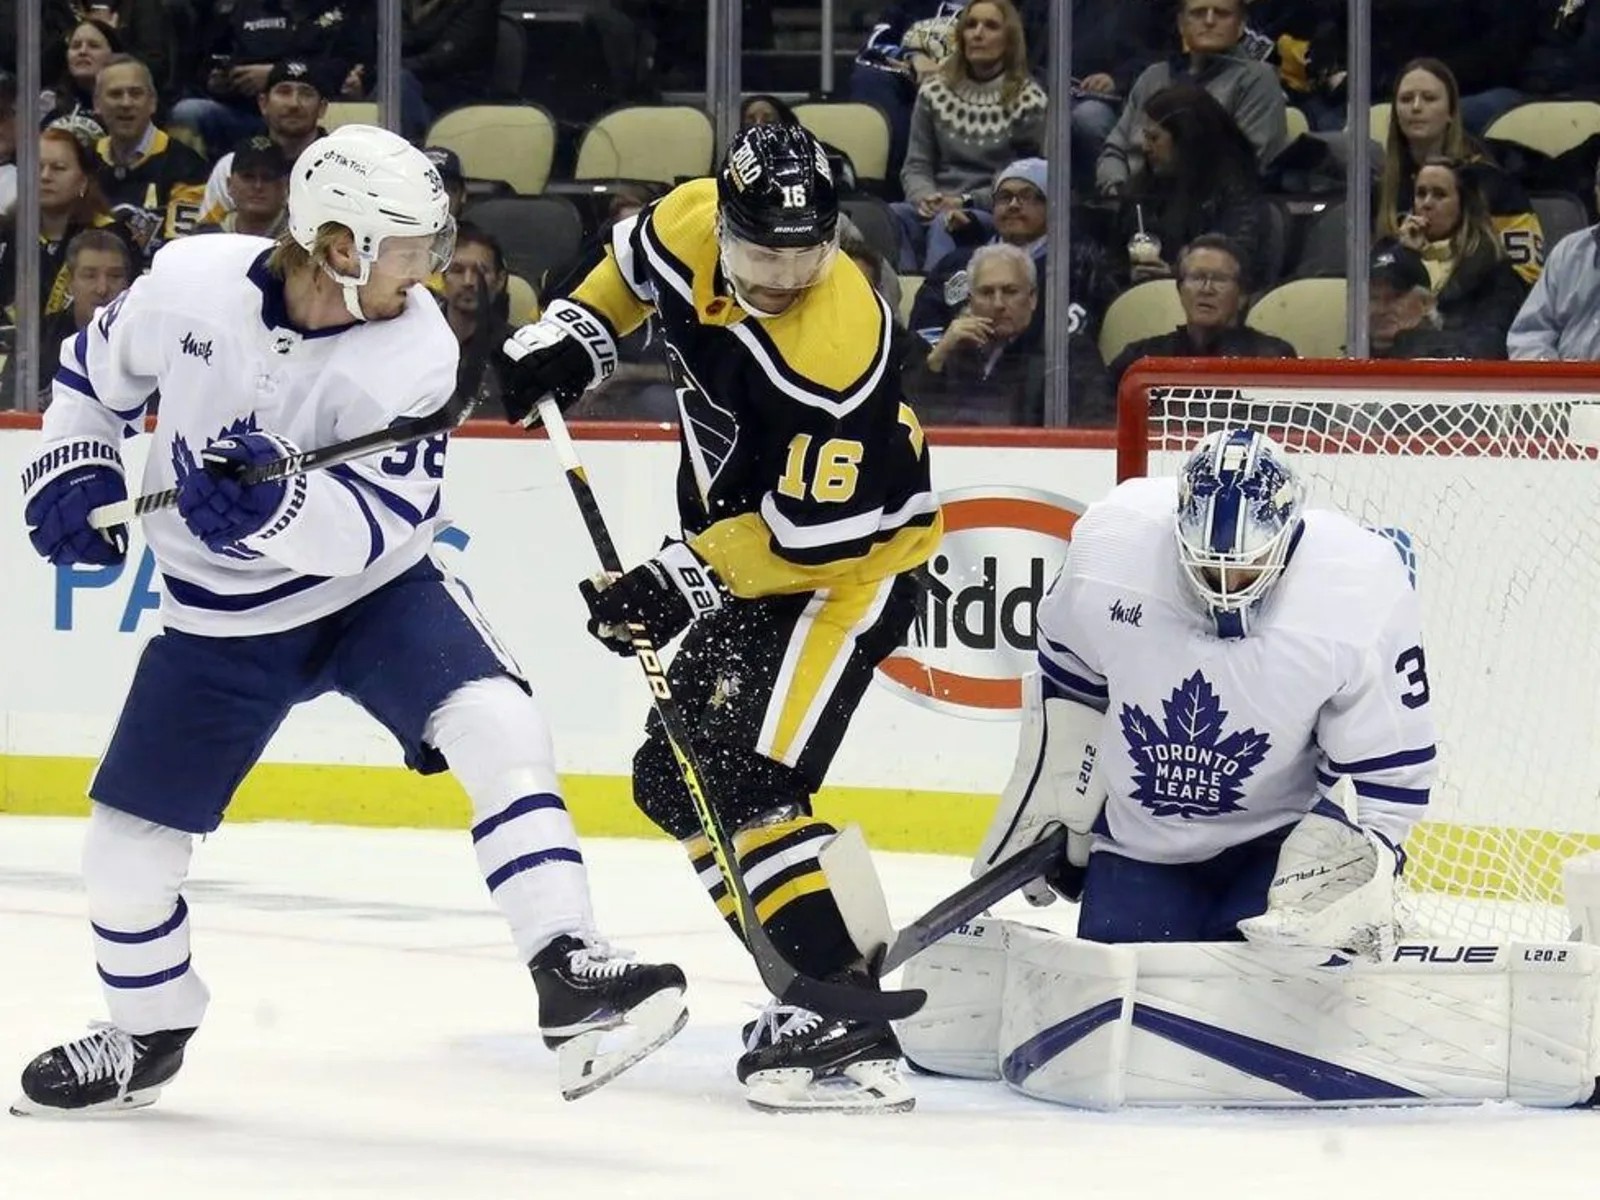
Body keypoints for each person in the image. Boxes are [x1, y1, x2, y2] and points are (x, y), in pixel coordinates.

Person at [12, 124, 686, 1117]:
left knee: (497, 723)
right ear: (339, 245)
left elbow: (377, 526)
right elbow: (90, 379)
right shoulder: (192, 282)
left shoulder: (416, 343)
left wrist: (276, 509)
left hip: (375, 597)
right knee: (121, 863)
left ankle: (567, 965)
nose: (433, 265)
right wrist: (72, 464)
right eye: (411, 246)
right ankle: (146, 1031)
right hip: (219, 619)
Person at [494, 121, 942, 1113]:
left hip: (847, 575)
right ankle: (807, 976)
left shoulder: (839, 350)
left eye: (806, 251)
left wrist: (678, 578)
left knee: (745, 778)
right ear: (725, 215)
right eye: (761, 248)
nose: (782, 272)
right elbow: (623, 269)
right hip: (753, 562)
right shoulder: (690, 220)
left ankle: (843, 1018)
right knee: (672, 777)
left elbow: (816, 536)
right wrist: (569, 337)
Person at [974, 428, 1436, 949]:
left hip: (1278, 851)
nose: (1225, 587)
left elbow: (1389, 772)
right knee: (1115, 998)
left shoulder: (1358, 584)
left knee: (1269, 1008)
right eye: (1207, 566)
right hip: (1140, 844)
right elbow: (1071, 682)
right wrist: (1059, 793)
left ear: (1286, 539)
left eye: (1246, 569)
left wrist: (1352, 864)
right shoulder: (1111, 550)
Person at [893, 0, 1048, 272]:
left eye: (990, 26)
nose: (978, 34)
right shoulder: (933, 92)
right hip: (934, 202)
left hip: (990, 209)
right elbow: (917, 165)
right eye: (971, 25)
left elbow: (1024, 181)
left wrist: (964, 201)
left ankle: (936, 297)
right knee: (891, 216)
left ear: (1009, 39)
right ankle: (903, 292)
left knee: (947, 223)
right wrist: (925, 198)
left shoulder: (1029, 99)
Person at [1376, 58, 1544, 288]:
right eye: (1406, 99)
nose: (1416, 107)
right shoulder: (1381, 190)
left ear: (1451, 112)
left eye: (1429, 98)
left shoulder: (1494, 185)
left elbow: (1528, 277)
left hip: (1481, 314)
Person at [1096, 0, 1289, 196]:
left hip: (1215, 213)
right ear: (1181, 23)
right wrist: (1117, 189)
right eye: (1198, 13)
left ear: (1240, 25)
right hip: (1134, 208)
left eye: (1222, 14)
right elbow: (1114, 151)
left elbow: (1246, 165)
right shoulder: (1152, 77)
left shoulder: (1258, 80)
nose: (1209, 21)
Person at [1114, 83, 1271, 289]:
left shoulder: (1236, 192)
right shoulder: (1144, 188)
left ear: (1185, 139)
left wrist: (1174, 275)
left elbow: (1236, 266)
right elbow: (1114, 258)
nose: (1145, 147)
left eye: (1154, 138)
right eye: (1145, 137)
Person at [1107, 235, 1295, 388]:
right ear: (1180, 291)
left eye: (1219, 279)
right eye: (1197, 278)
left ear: (1242, 296)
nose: (1206, 289)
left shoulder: (1273, 359)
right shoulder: (1142, 359)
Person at [1394, 157, 1528, 360]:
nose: (1426, 204)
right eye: (1421, 194)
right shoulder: (1393, 258)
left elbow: (1488, 344)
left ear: (1464, 205)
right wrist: (1405, 258)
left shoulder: (1494, 270)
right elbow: (1373, 335)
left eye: (1439, 195)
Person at [91, 54, 209, 262]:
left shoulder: (187, 166)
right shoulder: (85, 160)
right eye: (115, 94)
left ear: (152, 102)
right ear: (97, 104)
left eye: (135, 93)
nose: (126, 103)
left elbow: (181, 253)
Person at [196, 59, 331, 228]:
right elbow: (205, 236)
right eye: (284, 92)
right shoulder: (231, 166)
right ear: (263, 103)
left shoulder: (342, 170)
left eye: (306, 94)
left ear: (322, 108)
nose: (294, 104)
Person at [1507, 167, 1600, 361]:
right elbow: (1528, 335)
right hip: (1565, 385)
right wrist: (1553, 377)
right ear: (1597, 193)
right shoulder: (1569, 251)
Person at [191, 136, 289, 238]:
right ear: (229, 185)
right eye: (248, 176)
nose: (258, 186)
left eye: (268, 177)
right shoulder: (205, 238)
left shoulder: (299, 239)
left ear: (284, 186)